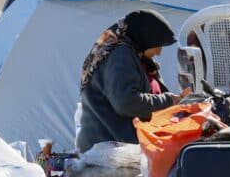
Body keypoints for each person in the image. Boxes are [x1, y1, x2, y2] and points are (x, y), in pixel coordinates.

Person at [76, 9, 192, 152]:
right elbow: (126, 102)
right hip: (108, 149)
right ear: (146, 37)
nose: (159, 52)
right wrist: (169, 101)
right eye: (158, 45)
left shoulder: (134, 55)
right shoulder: (120, 55)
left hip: (114, 146)